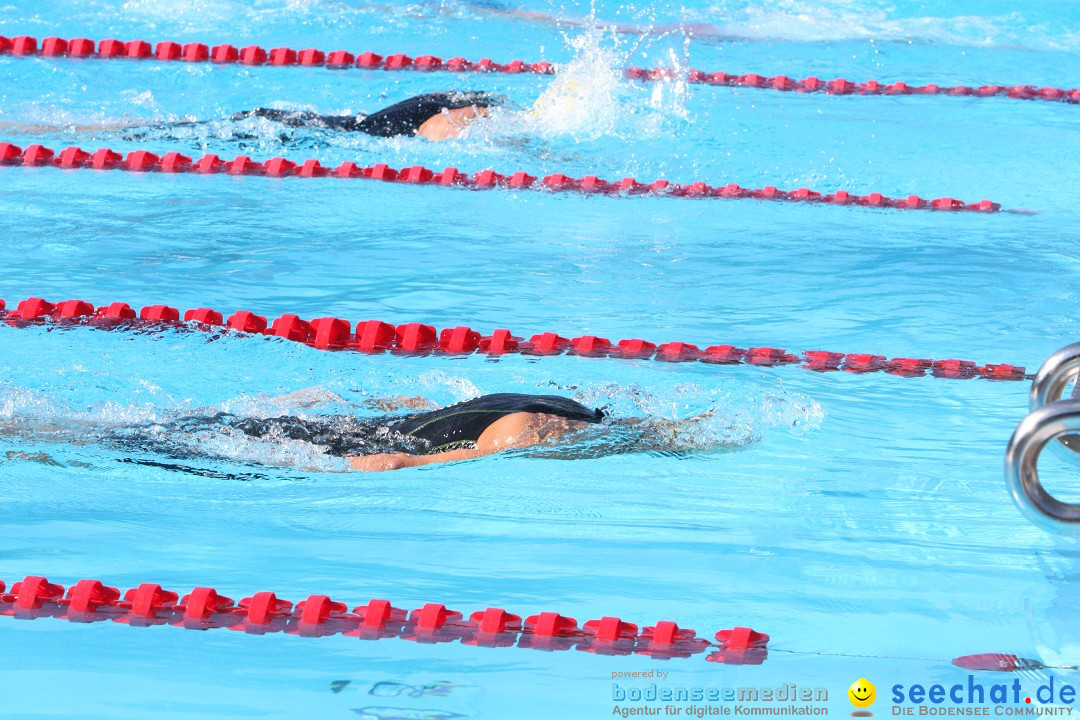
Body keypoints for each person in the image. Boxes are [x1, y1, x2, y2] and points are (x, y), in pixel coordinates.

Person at [0, 91, 505, 143]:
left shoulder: (451, 94)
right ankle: (31, 128)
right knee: (149, 134)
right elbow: (442, 136)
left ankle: (33, 127)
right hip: (284, 129)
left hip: (296, 120)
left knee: (158, 131)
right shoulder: (475, 110)